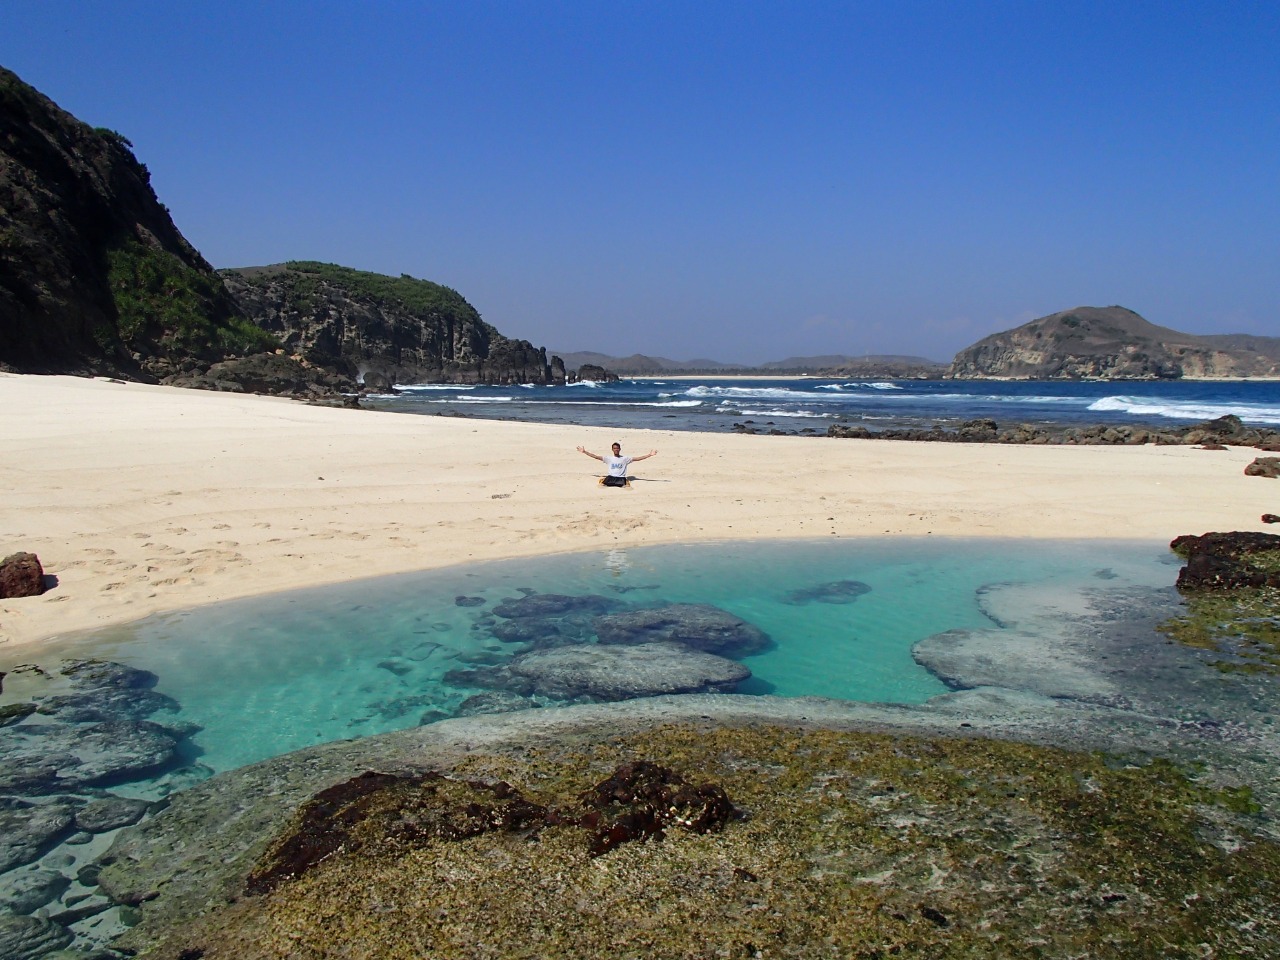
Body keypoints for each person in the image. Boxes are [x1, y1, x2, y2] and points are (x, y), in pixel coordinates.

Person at [576, 442, 658, 486]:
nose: (616, 450)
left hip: (621, 478)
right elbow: (596, 457)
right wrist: (584, 452)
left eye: (617, 448)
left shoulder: (625, 459)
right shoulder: (609, 459)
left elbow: (638, 458)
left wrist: (649, 455)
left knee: (624, 485)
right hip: (611, 477)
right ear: (612, 449)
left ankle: (627, 482)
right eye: (614, 448)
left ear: (620, 449)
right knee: (603, 484)